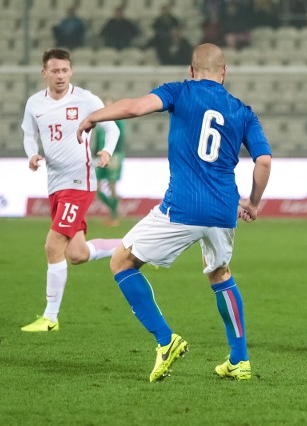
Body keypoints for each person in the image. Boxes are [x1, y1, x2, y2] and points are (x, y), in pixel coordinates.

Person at [76, 43, 272, 382]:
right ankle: (239, 360)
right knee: (220, 273)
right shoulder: (243, 111)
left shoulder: (179, 91)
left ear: (192, 70)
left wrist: (95, 116)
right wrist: (253, 202)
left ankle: (166, 341)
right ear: (224, 72)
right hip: (224, 210)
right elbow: (264, 161)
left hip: (183, 206)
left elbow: (136, 107)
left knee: (121, 261)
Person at [20, 49, 122, 332]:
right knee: (76, 253)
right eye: (55, 71)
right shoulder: (34, 104)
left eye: (65, 70)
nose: (60, 76)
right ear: (45, 73)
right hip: (55, 184)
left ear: (71, 71)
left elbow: (112, 128)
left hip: (79, 182)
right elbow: (29, 134)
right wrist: (32, 155)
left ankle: (50, 317)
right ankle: (132, 245)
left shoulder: (86, 99)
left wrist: (106, 150)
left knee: (53, 245)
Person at [92, 97, 125, 226]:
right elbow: (97, 139)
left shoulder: (118, 122)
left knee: (112, 186)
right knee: (97, 188)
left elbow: (120, 139)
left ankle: (114, 216)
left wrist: (114, 155)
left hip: (114, 155)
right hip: (100, 156)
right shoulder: (101, 122)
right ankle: (114, 209)